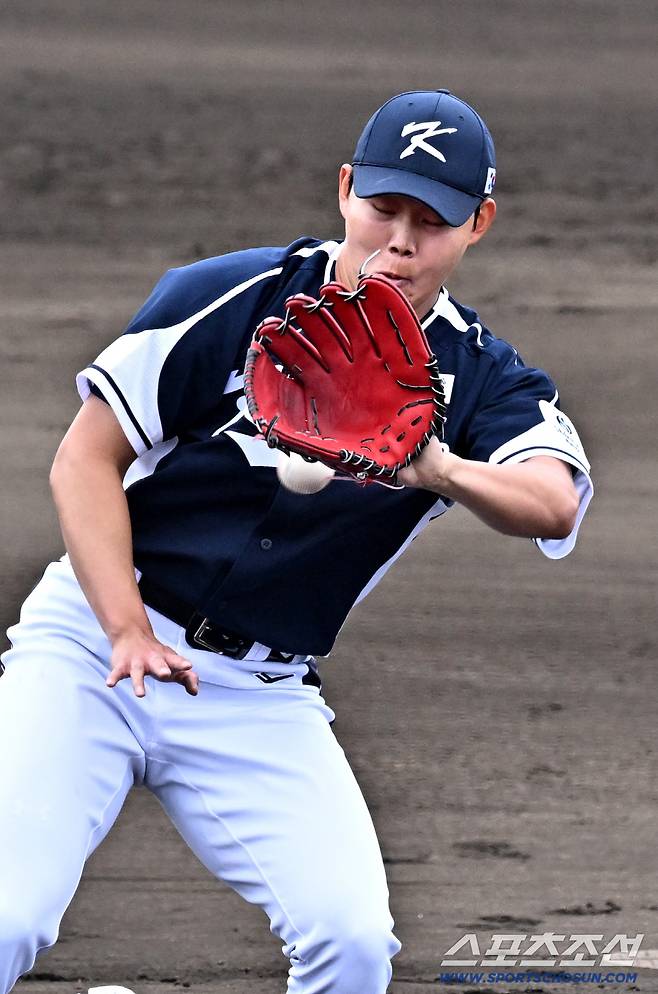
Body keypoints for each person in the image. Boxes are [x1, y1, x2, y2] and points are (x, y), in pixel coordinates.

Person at [0, 89, 592, 993]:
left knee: (352, 944)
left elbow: (551, 502)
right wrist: (126, 627)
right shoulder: (234, 297)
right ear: (346, 188)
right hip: (92, 648)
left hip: (256, 698)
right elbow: (83, 461)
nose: (398, 238)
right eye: (383, 206)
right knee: (8, 913)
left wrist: (437, 469)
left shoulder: (481, 377)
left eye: (431, 220)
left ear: (480, 223)